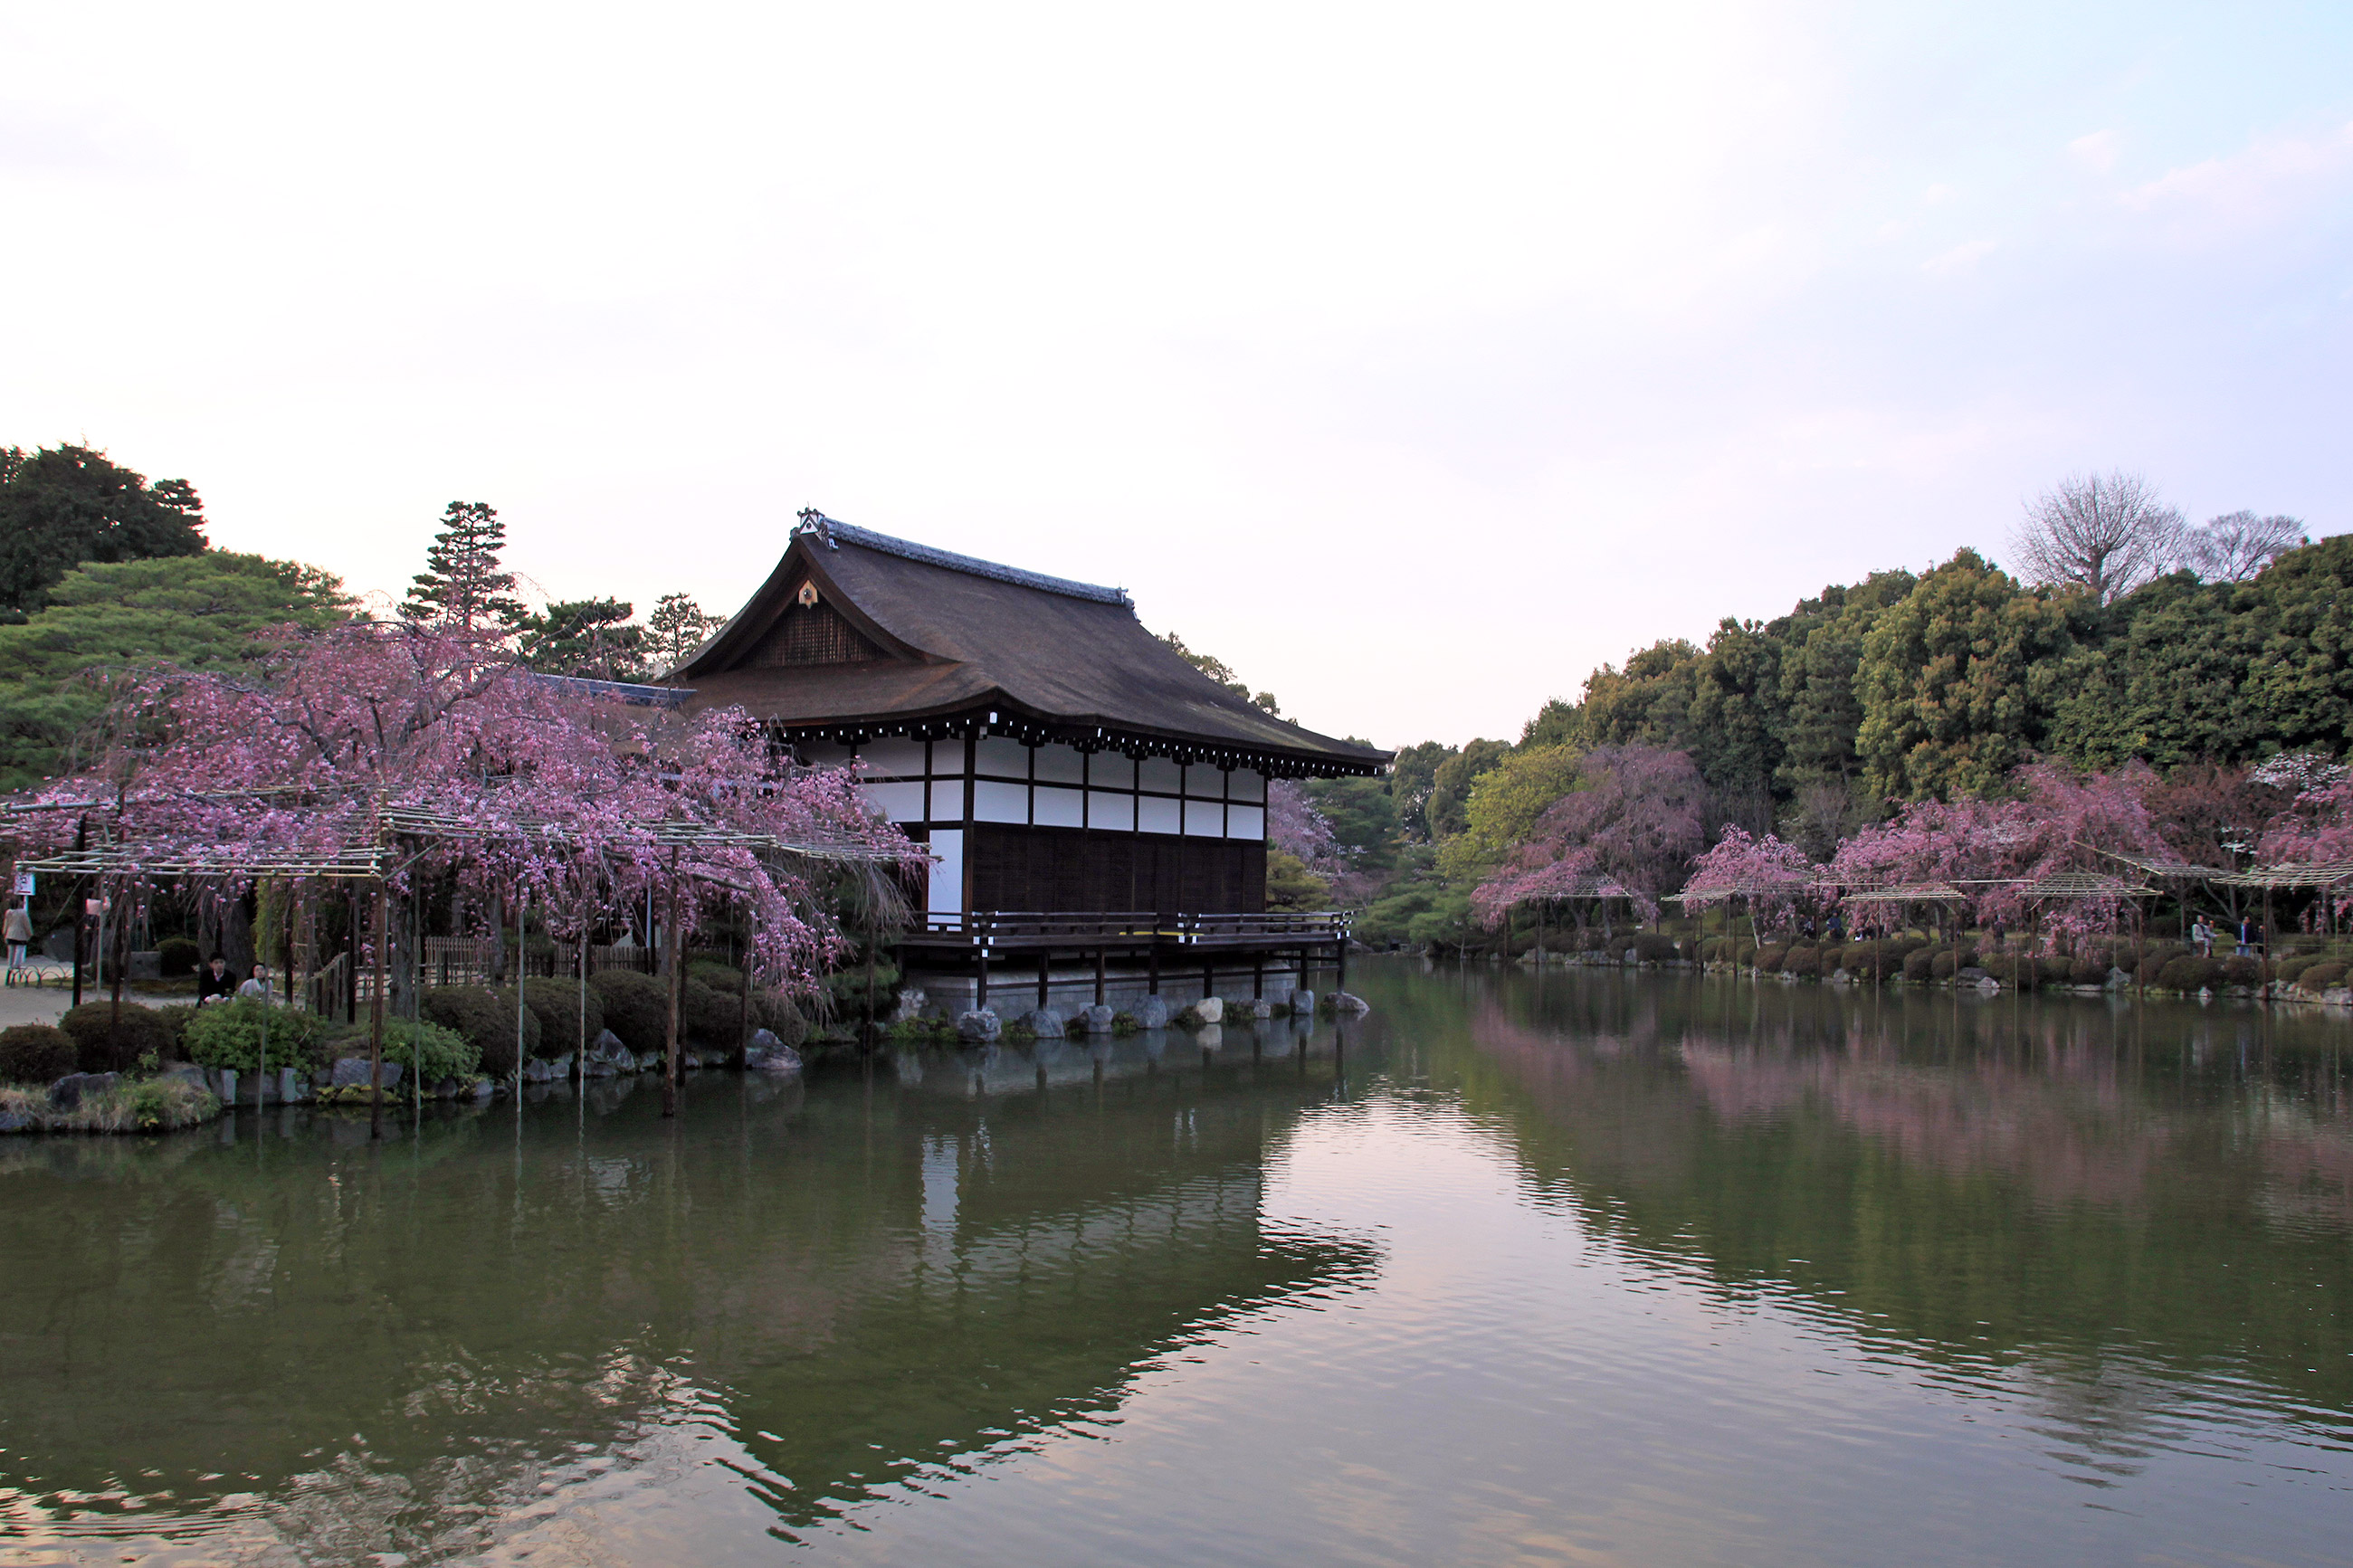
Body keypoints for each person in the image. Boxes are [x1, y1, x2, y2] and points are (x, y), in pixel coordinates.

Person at [3, 902, 30, 971]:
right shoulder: (23, 913)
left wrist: (4, 932)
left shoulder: (8, 912)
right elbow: (26, 924)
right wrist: (29, 933)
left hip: (10, 933)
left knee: (11, 950)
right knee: (19, 949)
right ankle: (16, 964)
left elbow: (6, 923)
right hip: (20, 933)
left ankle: (10, 965)